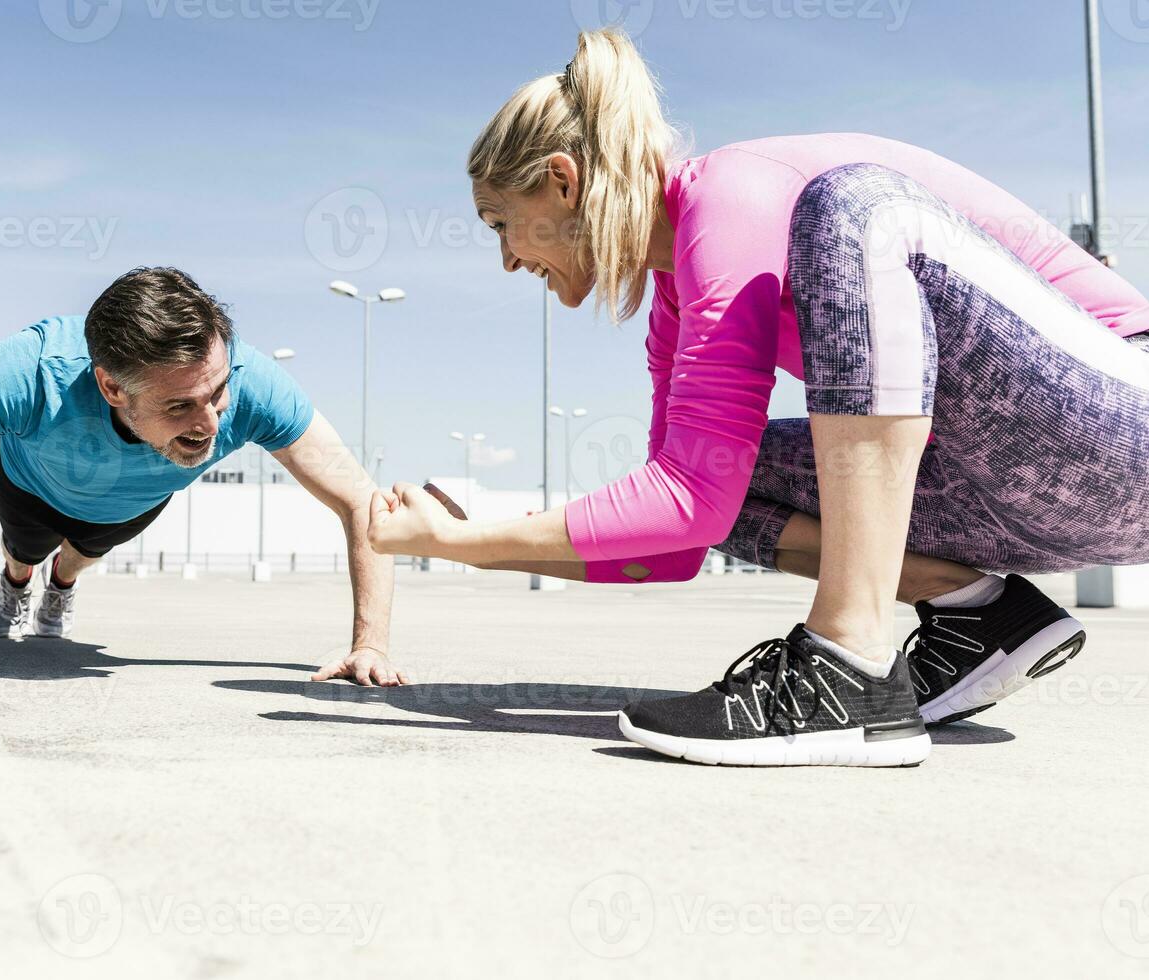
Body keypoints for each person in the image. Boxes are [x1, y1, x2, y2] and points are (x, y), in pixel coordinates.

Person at [364, 29, 1149, 766]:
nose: (505, 259)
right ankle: (982, 614)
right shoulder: (675, 296)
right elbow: (680, 526)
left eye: (502, 222)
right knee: (726, 480)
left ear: (563, 182)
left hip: (1121, 432)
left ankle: (847, 663)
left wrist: (462, 543)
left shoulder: (733, 196)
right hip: (1002, 484)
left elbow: (684, 506)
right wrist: (459, 543)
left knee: (855, 206)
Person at [0, 266, 406, 696]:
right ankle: (18, 578)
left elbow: (362, 502)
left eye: (217, 393)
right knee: (28, 547)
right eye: (179, 407)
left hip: (132, 503)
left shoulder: (255, 385)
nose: (210, 423)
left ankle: (61, 585)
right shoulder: (30, 371)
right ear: (112, 386)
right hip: (30, 486)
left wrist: (369, 645)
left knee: (82, 555)